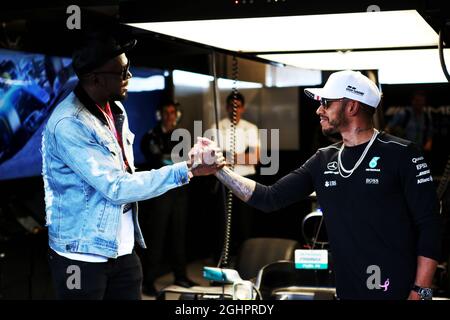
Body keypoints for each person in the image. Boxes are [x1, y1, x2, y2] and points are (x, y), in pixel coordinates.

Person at [208, 70, 442, 300]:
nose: (319, 110)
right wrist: (219, 170)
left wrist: (422, 291)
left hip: (396, 291)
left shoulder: (402, 153)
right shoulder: (323, 159)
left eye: (327, 103)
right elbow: (269, 198)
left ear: (351, 107)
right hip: (346, 290)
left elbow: (430, 226)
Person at [41, 33, 223, 300]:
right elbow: (115, 186)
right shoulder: (69, 123)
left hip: (122, 249)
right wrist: (187, 169)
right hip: (81, 254)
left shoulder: (116, 110)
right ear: (96, 78)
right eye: (122, 71)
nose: (130, 76)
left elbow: (125, 171)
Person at [139, 100, 197, 296]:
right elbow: (158, 160)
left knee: (179, 235)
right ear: (160, 114)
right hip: (160, 193)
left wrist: (175, 161)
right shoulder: (151, 136)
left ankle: (180, 275)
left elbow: (189, 161)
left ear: (177, 114)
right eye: (166, 112)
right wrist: (176, 161)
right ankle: (148, 281)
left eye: (173, 112)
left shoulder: (183, 136)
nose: (169, 116)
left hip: (180, 192)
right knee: (157, 237)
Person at [210, 91, 260, 255]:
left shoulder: (250, 128)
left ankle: (244, 261)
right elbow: (213, 159)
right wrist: (241, 156)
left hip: (246, 180)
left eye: (237, 107)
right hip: (224, 181)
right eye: (231, 106)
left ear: (243, 108)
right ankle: (222, 260)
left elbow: (254, 158)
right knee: (222, 224)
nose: (234, 110)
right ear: (226, 107)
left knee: (245, 224)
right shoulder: (216, 127)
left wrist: (226, 156)